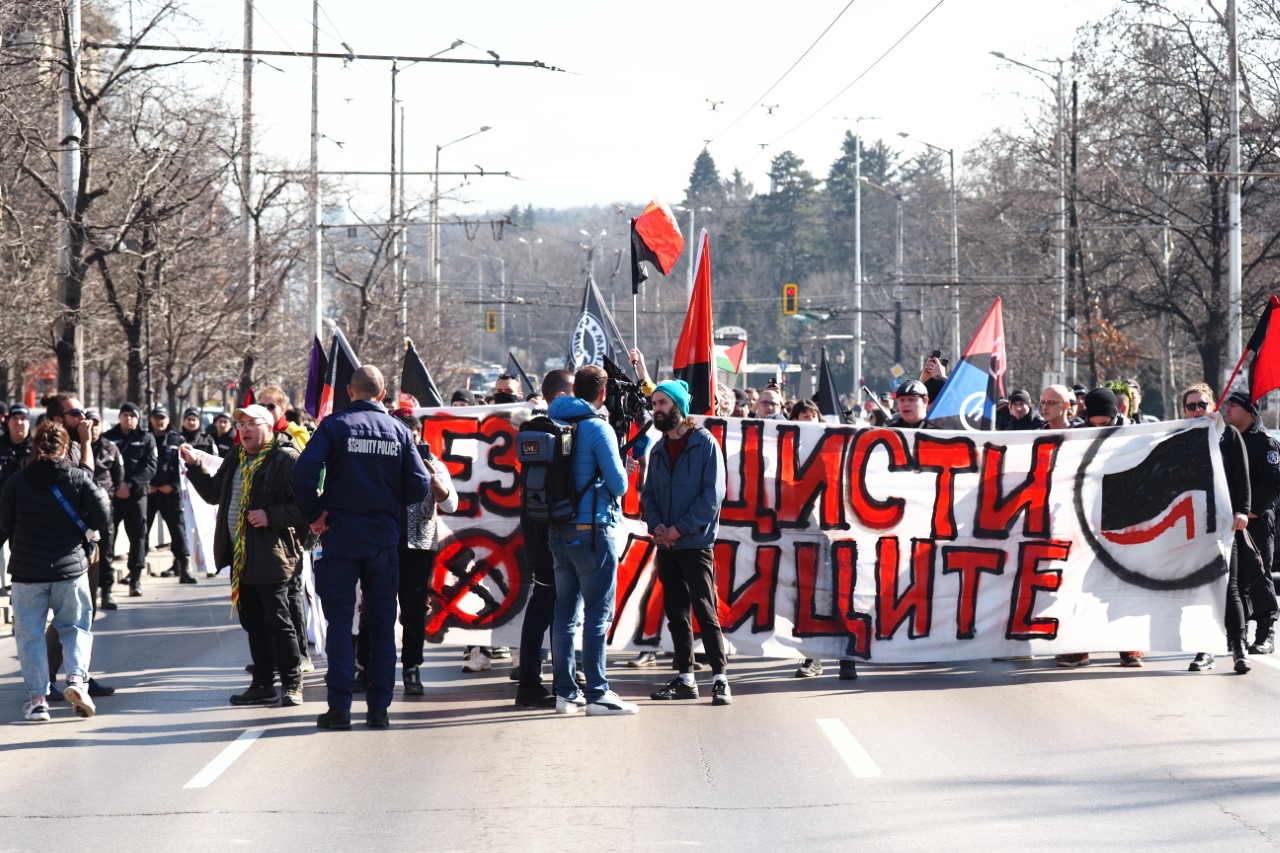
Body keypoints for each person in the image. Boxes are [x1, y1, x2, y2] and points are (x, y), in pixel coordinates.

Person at [291, 365, 430, 730]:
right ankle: (379, 710)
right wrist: (387, 501)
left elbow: (303, 473)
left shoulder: (335, 426)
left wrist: (316, 513)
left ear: (350, 391)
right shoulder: (399, 431)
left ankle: (339, 709)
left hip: (341, 533)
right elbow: (419, 485)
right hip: (383, 538)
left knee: (340, 622)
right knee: (383, 624)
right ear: (382, 395)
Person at [184, 404, 309, 706]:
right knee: (253, 623)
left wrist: (271, 516)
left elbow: (307, 507)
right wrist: (194, 467)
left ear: (269, 427)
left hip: (274, 556)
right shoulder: (236, 456)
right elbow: (215, 494)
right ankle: (263, 683)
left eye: (252, 424)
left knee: (278, 622)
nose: (245, 430)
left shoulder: (287, 458)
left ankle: (293, 684)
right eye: (241, 426)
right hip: (241, 558)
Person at [0, 421, 110, 721]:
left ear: (36, 447)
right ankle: (77, 681)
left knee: (30, 636)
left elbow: (3, 526)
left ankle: (38, 700)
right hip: (69, 569)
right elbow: (102, 512)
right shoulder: (77, 477)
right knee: (74, 629)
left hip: (27, 572)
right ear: (65, 448)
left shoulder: (17, 481)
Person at [546, 365, 638, 716]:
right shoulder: (598, 428)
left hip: (557, 528)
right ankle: (598, 692)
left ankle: (566, 694)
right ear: (602, 394)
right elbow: (619, 485)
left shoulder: (553, 421)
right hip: (592, 530)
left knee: (565, 615)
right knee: (598, 613)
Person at [354, 408, 456, 697]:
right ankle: (364, 666)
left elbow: (451, 505)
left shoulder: (433, 464)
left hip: (418, 548)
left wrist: (432, 479)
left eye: (412, 438)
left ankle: (412, 667)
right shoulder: (376, 463)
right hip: (380, 544)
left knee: (413, 611)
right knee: (372, 609)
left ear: (420, 437)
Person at [643, 380, 732, 706]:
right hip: (666, 544)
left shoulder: (705, 444)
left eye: (663, 403)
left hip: (694, 544)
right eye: (654, 404)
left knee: (705, 611)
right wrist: (657, 526)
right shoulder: (657, 449)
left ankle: (720, 678)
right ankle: (685, 678)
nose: (657, 410)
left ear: (678, 407)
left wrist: (680, 529)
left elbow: (712, 497)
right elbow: (648, 494)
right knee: (676, 613)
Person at [1057, 387, 1144, 667]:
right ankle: (1079, 647)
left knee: (1124, 585)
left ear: (1114, 414)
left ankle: (1129, 647)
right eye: (1092, 422)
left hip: (1124, 521)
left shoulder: (1133, 438)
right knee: (1081, 586)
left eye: (1102, 423)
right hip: (1084, 520)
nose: (1097, 428)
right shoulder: (1077, 436)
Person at [1183, 385, 1256, 673]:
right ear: (1184, 411)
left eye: (1202, 404)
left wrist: (1242, 511)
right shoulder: (1178, 439)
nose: (1197, 410)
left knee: (1230, 587)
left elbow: (1242, 479)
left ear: (1213, 405)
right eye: (1191, 406)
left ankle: (1239, 649)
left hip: (1225, 525)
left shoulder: (1230, 437)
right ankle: (1206, 649)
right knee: (1202, 588)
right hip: (1191, 526)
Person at [514, 369, 575, 708]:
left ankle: (533, 679)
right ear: (562, 396)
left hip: (535, 527)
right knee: (553, 607)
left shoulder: (532, 430)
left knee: (543, 604)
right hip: (557, 530)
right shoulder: (566, 431)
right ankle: (547, 680)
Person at [1219, 390, 1280, 656]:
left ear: (1249, 411)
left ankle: (1266, 633)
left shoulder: (1264, 443)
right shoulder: (1226, 440)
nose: (1227, 409)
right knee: (1234, 580)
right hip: (1228, 521)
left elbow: (1272, 481)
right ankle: (1237, 634)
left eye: (1233, 405)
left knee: (1258, 574)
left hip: (1254, 520)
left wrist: (1251, 511)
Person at [104, 403, 156, 597]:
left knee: (138, 536)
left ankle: (135, 579)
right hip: (113, 496)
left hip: (136, 495)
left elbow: (150, 467)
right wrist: (117, 487)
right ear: (119, 417)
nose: (128, 419)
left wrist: (130, 485)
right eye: (125, 415)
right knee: (107, 538)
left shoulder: (146, 438)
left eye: (132, 416)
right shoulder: (108, 437)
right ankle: (106, 584)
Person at [145, 405, 195, 583]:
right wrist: (146, 485)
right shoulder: (145, 438)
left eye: (162, 418)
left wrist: (173, 485)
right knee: (141, 531)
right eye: (156, 418)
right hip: (149, 493)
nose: (159, 421)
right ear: (151, 420)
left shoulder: (177, 440)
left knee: (178, 531)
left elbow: (184, 467)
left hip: (170, 494)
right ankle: (136, 571)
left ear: (168, 420)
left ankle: (184, 569)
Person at [85, 409, 123, 610]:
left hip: (104, 509)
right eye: (89, 423)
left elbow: (118, 477)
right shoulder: (77, 447)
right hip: (81, 512)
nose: (93, 427)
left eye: (96, 423)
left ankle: (107, 592)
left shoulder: (111, 448)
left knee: (106, 551)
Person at [0, 403, 33, 594]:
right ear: (8, 421)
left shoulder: (37, 450)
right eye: (15, 419)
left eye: (23, 419)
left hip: (25, 515)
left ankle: (19, 607)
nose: (19, 423)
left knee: (22, 563)